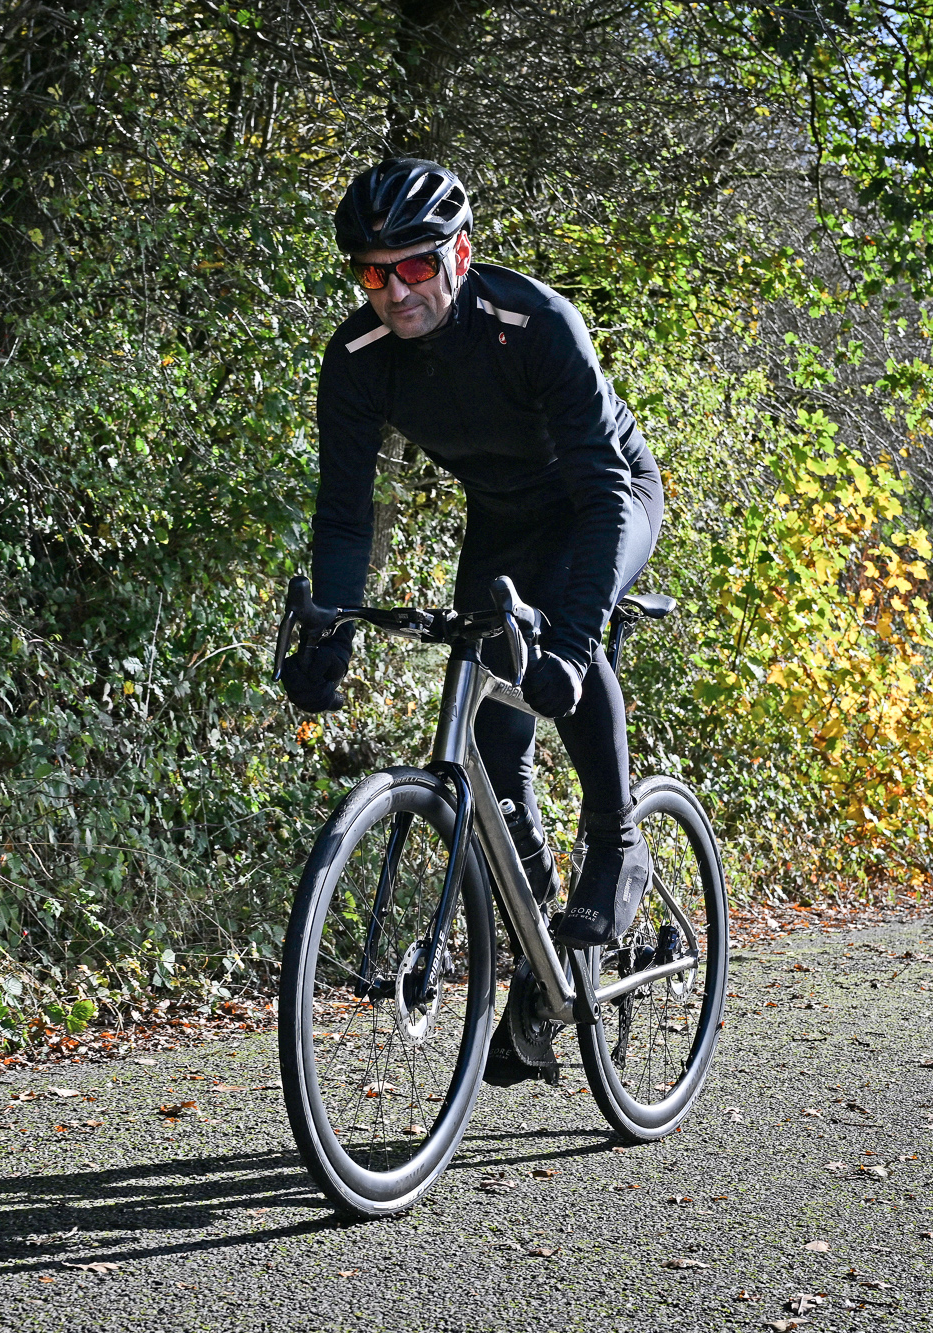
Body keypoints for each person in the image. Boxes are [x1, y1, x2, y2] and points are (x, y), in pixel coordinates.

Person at [280, 156, 665, 986]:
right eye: (373, 273)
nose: (396, 291)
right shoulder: (356, 356)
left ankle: (617, 840)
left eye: (416, 265)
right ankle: (539, 964)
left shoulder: (534, 323)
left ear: (459, 253)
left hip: (607, 495)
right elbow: (347, 513)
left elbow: (602, 494)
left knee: (567, 637)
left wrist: (569, 641)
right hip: (504, 515)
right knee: (492, 737)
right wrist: (331, 631)